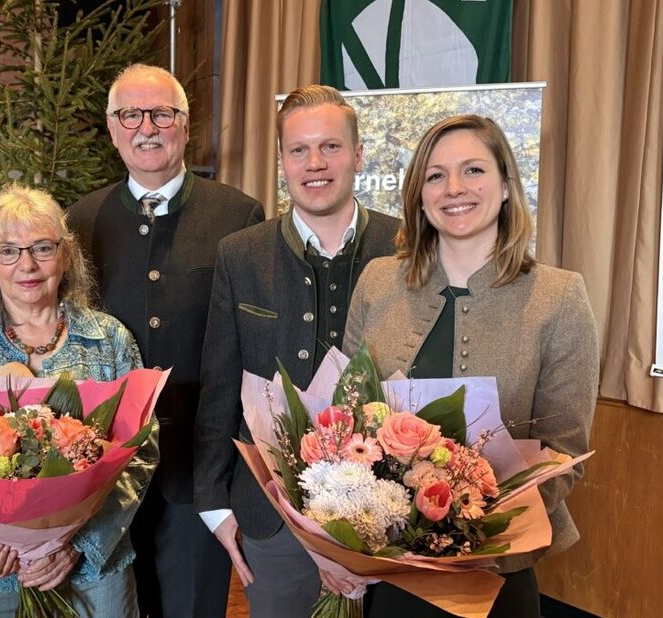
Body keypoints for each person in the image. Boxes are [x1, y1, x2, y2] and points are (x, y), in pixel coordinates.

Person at [342, 114, 599, 617]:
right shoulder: (376, 281)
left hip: (494, 573)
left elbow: (564, 453)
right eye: (435, 175)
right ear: (419, 194)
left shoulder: (559, 297)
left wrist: (468, 533)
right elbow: (345, 416)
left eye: (473, 171)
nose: (453, 188)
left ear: (505, 185)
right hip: (383, 570)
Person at [193, 84, 399, 617]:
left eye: (330, 146)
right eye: (299, 149)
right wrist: (215, 506)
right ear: (282, 160)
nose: (315, 163)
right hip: (269, 515)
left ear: (358, 154)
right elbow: (219, 385)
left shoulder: (407, 248)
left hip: (393, 512)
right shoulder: (240, 254)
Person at [65, 63, 264, 618]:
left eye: (162, 113)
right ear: (112, 127)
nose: (145, 126)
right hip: (101, 472)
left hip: (196, 473)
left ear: (185, 125)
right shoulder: (80, 219)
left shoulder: (237, 215)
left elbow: (249, 348)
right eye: (130, 114)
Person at [0, 184, 158, 617]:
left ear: (66, 255)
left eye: (42, 248)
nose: (26, 265)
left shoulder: (108, 339)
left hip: (90, 572)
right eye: (8, 251)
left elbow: (140, 454)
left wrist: (78, 546)